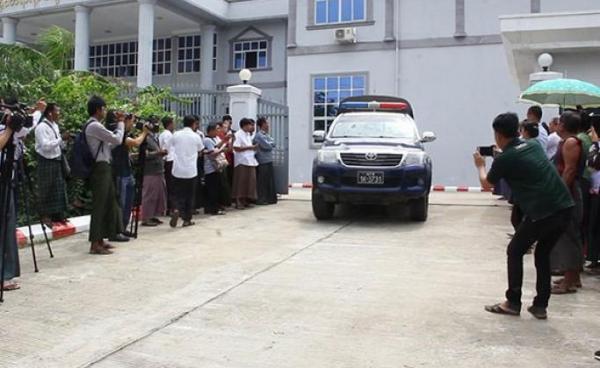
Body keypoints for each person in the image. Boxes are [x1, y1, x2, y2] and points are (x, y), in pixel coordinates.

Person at [473, 112, 573, 319]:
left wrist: (481, 165)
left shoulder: (505, 159)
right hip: (564, 207)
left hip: (542, 212)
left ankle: (512, 301)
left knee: (515, 250)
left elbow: (486, 183)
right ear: (518, 131)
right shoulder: (533, 145)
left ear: (498, 134)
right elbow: (519, 155)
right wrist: (500, 153)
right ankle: (540, 305)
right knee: (542, 254)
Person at [551, 111, 586, 294]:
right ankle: (572, 277)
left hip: (569, 194)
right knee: (570, 235)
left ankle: (569, 282)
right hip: (570, 193)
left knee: (569, 236)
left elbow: (569, 171)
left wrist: (560, 193)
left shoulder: (571, 142)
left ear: (563, 125)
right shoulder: (566, 142)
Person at [85, 96, 125, 255]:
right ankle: (95, 243)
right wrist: (121, 124)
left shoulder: (95, 126)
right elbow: (117, 139)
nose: (105, 111)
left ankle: (101, 239)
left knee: (108, 202)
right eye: (103, 108)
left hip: (104, 165)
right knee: (100, 205)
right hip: (100, 168)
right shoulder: (94, 126)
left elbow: (110, 143)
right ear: (98, 110)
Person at [109, 111, 148, 240]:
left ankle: (123, 228)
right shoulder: (117, 133)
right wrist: (144, 133)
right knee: (121, 203)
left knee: (128, 204)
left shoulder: (124, 134)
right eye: (131, 121)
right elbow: (136, 143)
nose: (133, 124)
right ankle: (117, 230)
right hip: (120, 173)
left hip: (127, 172)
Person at [34, 103, 69, 226]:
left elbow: (56, 142)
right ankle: (45, 216)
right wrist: (61, 139)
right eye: (57, 111)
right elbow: (45, 146)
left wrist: (63, 143)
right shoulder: (41, 127)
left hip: (56, 159)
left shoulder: (55, 125)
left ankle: (57, 214)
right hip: (46, 160)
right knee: (46, 188)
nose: (59, 113)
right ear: (50, 112)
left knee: (58, 187)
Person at [169, 115, 204, 227]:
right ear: (193, 124)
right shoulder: (196, 136)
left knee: (177, 193)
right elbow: (200, 151)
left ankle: (176, 208)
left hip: (177, 169)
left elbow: (171, 147)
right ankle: (186, 219)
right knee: (189, 195)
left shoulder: (176, 135)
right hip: (190, 170)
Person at [0, 110, 21, 291]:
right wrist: (8, 129)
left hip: (6, 180)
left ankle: (6, 273)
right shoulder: (5, 130)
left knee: (7, 227)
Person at [140, 121, 167, 226]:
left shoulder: (153, 137)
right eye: (153, 123)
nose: (156, 125)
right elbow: (144, 155)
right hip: (150, 171)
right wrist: (158, 153)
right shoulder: (144, 138)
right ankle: (146, 218)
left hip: (158, 170)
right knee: (149, 195)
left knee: (157, 195)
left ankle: (153, 215)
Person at [232, 118, 258, 209]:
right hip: (241, 161)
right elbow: (236, 148)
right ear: (245, 125)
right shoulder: (238, 134)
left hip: (250, 160)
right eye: (250, 125)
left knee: (250, 181)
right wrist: (250, 147)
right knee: (241, 182)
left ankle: (245, 200)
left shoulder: (247, 134)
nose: (251, 127)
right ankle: (238, 200)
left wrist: (252, 148)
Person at [203, 123, 227, 216]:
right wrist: (222, 150)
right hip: (211, 168)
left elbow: (215, 147)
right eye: (216, 130)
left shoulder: (212, 139)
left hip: (213, 167)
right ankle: (213, 208)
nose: (218, 132)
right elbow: (213, 153)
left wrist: (223, 142)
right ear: (211, 130)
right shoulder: (207, 140)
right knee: (213, 189)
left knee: (214, 188)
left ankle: (211, 208)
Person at [254, 117, 278, 205]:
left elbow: (273, 143)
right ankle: (261, 199)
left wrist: (269, 144)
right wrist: (270, 144)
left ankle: (269, 198)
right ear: (262, 125)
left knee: (269, 180)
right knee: (262, 181)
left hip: (268, 159)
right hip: (262, 160)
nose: (268, 125)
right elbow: (267, 146)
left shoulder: (266, 135)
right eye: (266, 123)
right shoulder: (259, 136)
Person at [586, 122, 600, 271]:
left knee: (595, 226)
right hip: (595, 190)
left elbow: (592, 163)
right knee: (593, 227)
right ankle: (594, 257)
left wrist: (595, 144)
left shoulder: (595, 147)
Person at [159, 116, 175, 214]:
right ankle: (171, 208)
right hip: (170, 160)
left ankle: (169, 207)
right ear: (170, 124)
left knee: (169, 185)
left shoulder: (162, 134)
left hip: (166, 161)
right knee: (172, 185)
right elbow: (168, 149)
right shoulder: (169, 135)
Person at [216, 121, 233, 208]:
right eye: (224, 127)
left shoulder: (226, 136)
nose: (225, 129)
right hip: (218, 161)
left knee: (225, 182)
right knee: (221, 182)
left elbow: (230, 149)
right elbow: (216, 148)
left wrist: (230, 141)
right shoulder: (218, 137)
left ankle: (226, 201)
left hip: (225, 161)